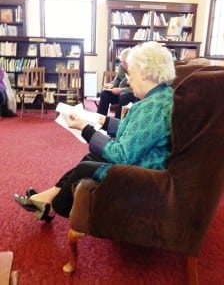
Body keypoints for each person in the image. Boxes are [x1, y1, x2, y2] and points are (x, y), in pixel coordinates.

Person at [14, 41, 176, 222]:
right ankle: (45, 201)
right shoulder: (160, 97)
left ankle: (52, 207)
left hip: (144, 174)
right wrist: (101, 120)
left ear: (146, 73)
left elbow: (121, 156)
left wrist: (86, 129)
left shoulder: (152, 108)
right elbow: (134, 130)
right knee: (89, 159)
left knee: (86, 166)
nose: (128, 80)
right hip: (141, 161)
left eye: (130, 74)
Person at [97, 48, 138, 118]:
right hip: (120, 91)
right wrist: (112, 84)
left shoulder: (137, 70)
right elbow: (117, 79)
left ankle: (117, 121)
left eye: (124, 62)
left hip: (132, 94)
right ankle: (100, 118)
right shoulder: (122, 67)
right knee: (104, 94)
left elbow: (136, 88)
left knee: (123, 96)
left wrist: (121, 90)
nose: (122, 64)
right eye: (121, 62)